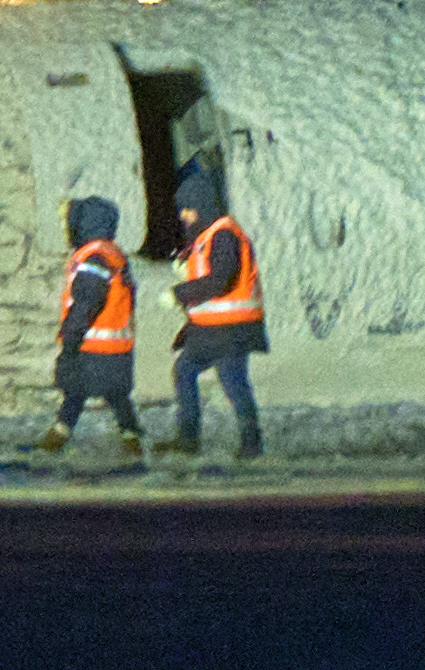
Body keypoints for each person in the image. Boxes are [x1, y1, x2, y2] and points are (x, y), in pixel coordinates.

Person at [162, 165, 266, 461]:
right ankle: (192, 439)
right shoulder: (208, 235)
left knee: (230, 380)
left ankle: (247, 442)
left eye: (187, 209)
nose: (183, 216)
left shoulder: (224, 235)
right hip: (215, 326)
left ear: (202, 207)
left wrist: (179, 293)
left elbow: (221, 280)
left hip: (231, 327)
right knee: (191, 372)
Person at [38, 195, 141, 456]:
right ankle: (131, 437)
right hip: (118, 344)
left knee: (75, 390)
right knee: (116, 395)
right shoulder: (113, 254)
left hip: (92, 343)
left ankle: (58, 436)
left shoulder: (94, 259)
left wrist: (70, 337)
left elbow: (86, 301)